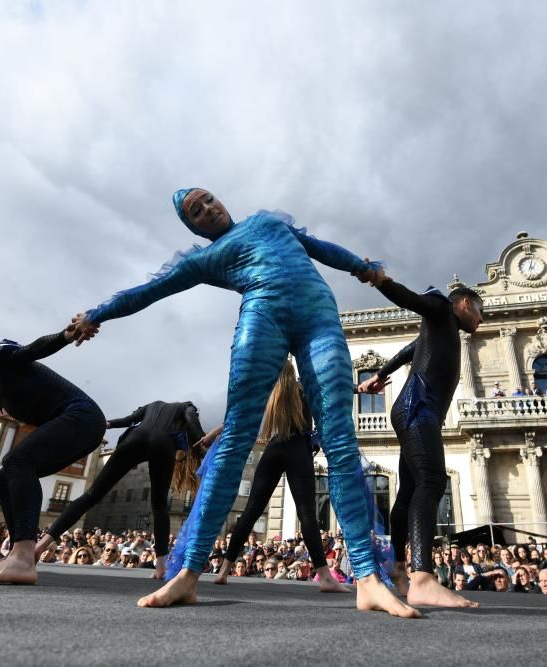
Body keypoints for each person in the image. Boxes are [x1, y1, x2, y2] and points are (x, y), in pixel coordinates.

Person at [68, 188, 416, 617]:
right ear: (193, 226)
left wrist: (365, 270)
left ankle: (366, 578)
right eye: (196, 211)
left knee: (340, 439)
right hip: (263, 316)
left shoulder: (269, 222)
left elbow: (321, 249)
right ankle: (188, 575)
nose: (208, 210)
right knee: (235, 438)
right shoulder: (204, 260)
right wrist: (95, 314)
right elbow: (149, 291)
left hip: (320, 320)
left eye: (208, 199)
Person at [0, 327, 106, 585]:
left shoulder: (1, 366)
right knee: (5, 477)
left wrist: (67, 335)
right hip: (81, 426)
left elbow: (33, 350)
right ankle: (17, 554)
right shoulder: (6, 402)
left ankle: (23, 557)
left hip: (83, 416)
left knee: (16, 462)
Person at [357, 275, 483, 608]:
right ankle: (423, 578)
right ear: (466, 303)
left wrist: (379, 376)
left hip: (415, 412)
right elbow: (412, 300)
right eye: (480, 311)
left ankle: (398, 568)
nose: (482, 320)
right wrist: (381, 280)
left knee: (411, 490)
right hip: (419, 409)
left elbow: (407, 351)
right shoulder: (442, 308)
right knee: (431, 481)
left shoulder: (441, 332)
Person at [215, 361, 350, 593]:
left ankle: (224, 570)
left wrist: (212, 434)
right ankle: (325, 577)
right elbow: (335, 389)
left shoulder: (270, 391)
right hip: (299, 449)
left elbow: (238, 416)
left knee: (250, 511)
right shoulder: (303, 388)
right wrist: (360, 387)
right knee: (306, 514)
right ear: (293, 372)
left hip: (274, 448)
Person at [36, 400, 208, 579]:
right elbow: (190, 419)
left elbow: (129, 420)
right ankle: (161, 567)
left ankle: (42, 544)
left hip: (135, 438)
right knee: (159, 505)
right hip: (163, 444)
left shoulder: (153, 405)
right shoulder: (188, 408)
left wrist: (108, 424)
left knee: (91, 494)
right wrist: (203, 438)